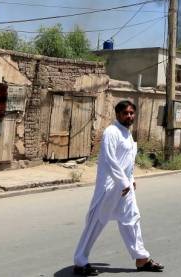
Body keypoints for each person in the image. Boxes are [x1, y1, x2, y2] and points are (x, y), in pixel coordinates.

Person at [72, 100, 164, 275]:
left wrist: (131, 179)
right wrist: (123, 182)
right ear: (118, 115)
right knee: (96, 222)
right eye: (125, 113)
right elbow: (109, 159)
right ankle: (80, 262)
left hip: (125, 186)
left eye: (131, 113)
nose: (129, 116)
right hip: (110, 187)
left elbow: (126, 161)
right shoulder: (111, 132)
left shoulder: (127, 133)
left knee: (132, 218)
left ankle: (141, 258)